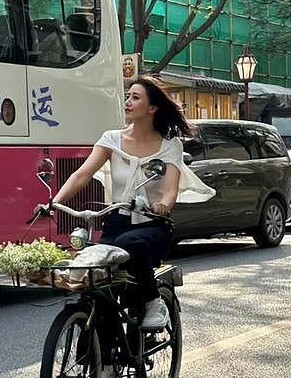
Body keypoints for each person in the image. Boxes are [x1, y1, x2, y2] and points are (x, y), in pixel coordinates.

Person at [38, 75, 215, 331]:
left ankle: (153, 302)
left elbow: (170, 190)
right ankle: (102, 363)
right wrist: (54, 202)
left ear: (152, 108)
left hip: (153, 225)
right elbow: (82, 174)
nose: (128, 102)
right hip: (116, 222)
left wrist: (163, 204)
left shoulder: (169, 146)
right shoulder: (111, 139)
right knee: (96, 278)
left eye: (135, 97)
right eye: (127, 96)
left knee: (130, 246)